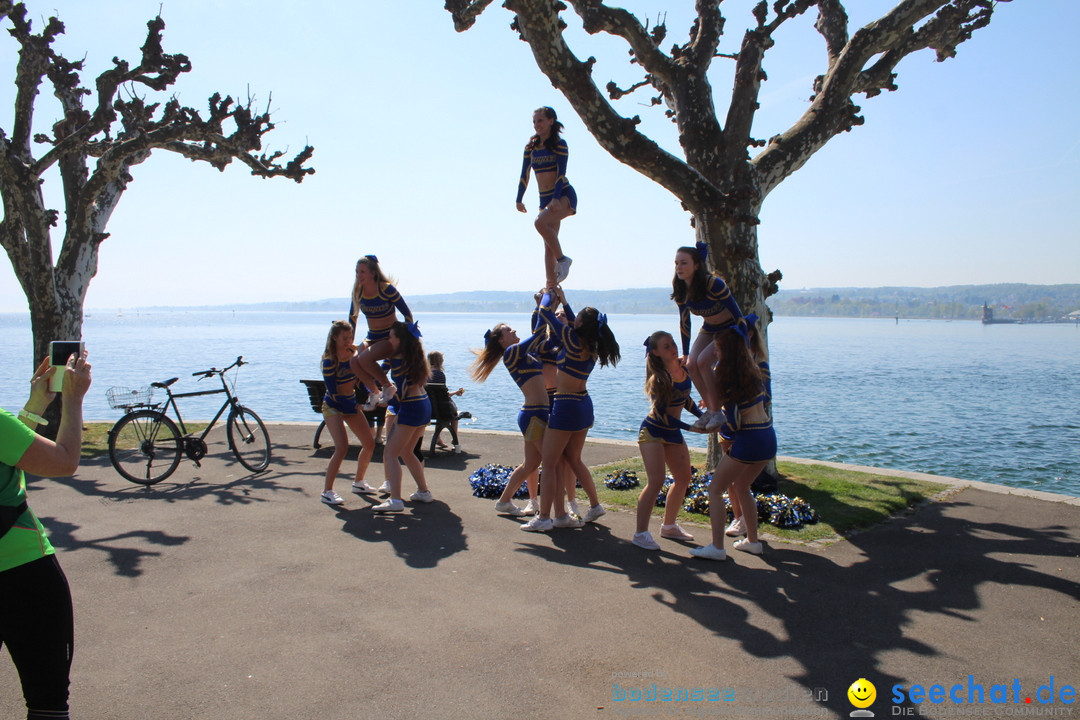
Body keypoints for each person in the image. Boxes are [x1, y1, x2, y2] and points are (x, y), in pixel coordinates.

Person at [2, 350, 92, 720]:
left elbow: (12, 457)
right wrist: (71, 400)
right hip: (24, 574)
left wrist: (36, 403)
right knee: (47, 703)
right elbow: (65, 461)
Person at [521, 287, 620, 532]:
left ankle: (545, 517)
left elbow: (545, 313)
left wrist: (548, 298)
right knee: (573, 459)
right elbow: (577, 322)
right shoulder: (591, 342)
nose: (573, 320)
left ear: (581, 324)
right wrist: (564, 302)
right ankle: (595, 505)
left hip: (565, 406)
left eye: (577, 319)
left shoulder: (571, 338)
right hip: (584, 405)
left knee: (551, 463)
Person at [690, 317, 776, 560]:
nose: (714, 351)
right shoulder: (753, 368)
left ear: (725, 350)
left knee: (715, 489)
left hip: (749, 439)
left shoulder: (725, 376)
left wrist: (705, 425)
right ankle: (753, 541)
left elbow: (701, 363)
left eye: (717, 347)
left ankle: (717, 547)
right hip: (767, 436)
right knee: (742, 486)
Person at [632, 331, 705, 550]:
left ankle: (669, 525)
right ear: (655, 352)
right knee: (656, 481)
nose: (672, 348)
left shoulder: (684, 368)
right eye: (666, 346)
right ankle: (640, 533)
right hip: (653, 432)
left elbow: (685, 399)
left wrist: (704, 417)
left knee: (683, 478)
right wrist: (693, 428)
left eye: (672, 344)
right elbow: (664, 416)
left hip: (672, 432)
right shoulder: (659, 378)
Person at [470, 320, 548, 517]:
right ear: (501, 340)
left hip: (538, 414)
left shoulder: (524, 354)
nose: (513, 330)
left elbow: (541, 337)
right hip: (533, 416)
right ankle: (549, 514)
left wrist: (543, 306)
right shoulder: (511, 353)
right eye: (508, 330)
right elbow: (538, 334)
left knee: (530, 465)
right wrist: (544, 305)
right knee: (550, 461)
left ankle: (504, 501)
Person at [671, 242, 744, 432]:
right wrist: (686, 352)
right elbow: (685, 322)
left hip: (729, 328)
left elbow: (736, 312)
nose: (679, 267)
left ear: (696, 265)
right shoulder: (681, 291)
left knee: (703, 362)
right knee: (691, 364)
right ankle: (712, 411)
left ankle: (717, 411)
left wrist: (744, 337)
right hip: (709, 328)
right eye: (676, 263)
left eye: (684, 263)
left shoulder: (713, 284)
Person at [372, 322, 434, 513]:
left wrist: (386, 399)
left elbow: (404, 391)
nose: (389, 340)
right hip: (424, 405)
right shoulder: (413, 355)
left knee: (390, 453)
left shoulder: (399, 359)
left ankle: (395, 500)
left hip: (411, 407)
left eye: (391, 336)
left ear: (400, 339)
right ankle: (423, 492)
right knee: (407, 451)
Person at [516, 106, 577, 287]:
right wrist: (519, 198)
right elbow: (524, 174)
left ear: (551, 121)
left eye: (540, 120)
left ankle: (563, 260)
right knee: (548, 245)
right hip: (545, 199)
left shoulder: (560, 144)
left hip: (563, 196)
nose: (537, 125)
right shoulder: (531, 148)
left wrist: (557, 198)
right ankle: (551, 285)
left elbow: (561, 172)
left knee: (539, 223)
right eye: (534, 121)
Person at [318, 321, 377, 505]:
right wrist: (356, 405)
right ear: (334, 337)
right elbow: (334, 392)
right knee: (341, 447)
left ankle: (359, 482)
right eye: (345, 338)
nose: (348, 341)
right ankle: (327, 491)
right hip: (333, 406)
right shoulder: (329, 359)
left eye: (350, 337)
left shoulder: (353, 353)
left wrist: (368, 397)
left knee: (369, 444)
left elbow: (362, 378)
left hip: (350, 402)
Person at [347, 255, 416, 412]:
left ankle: (388, 386)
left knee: (364, 358)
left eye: (362, 272)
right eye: (357, 272)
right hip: (372, 336)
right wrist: (349, 340)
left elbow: (407, 313)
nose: (359, 275)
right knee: (354, 361)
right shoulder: (358, 292)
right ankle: (375, 392)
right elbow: (353, 317)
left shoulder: (385, 288)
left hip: (388, 337)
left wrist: (406, 336)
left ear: (373, 273)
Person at [426, 351, 464, 453]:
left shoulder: (423, 374)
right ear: (440, 361)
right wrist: (456, 393)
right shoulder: (439, 375)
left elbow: (437, 394)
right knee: (454, 414)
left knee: (438, 406)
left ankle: (438, 438)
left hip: (427, 409)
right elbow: (443, 395)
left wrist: (455, 392)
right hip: (440, 409)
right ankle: (455, 440)